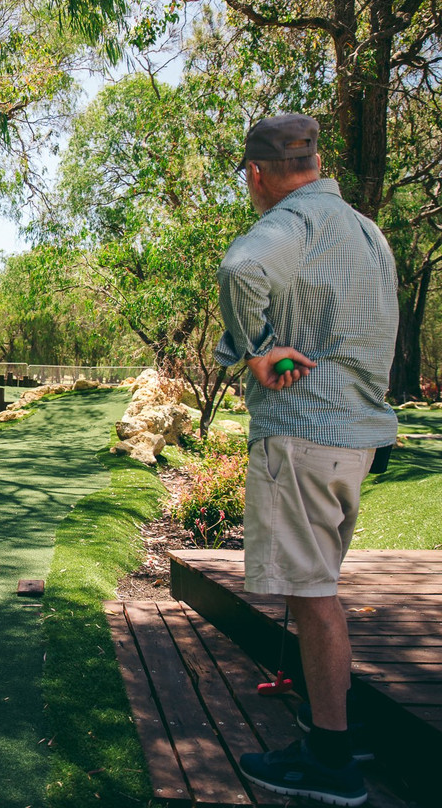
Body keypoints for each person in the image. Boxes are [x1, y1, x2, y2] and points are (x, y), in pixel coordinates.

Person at [215, 114, 397, 807]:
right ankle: (336, 726)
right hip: (356, 436)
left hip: (302, 435)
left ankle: (331, 760)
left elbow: (240, 267)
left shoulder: (293, 223)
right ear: (314, 163)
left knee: (314, 599)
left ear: (258, 174)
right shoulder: (366, 232)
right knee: (320, 588)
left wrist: (258, 351)